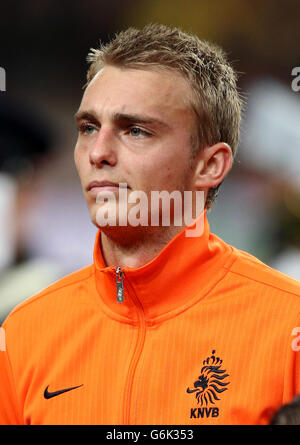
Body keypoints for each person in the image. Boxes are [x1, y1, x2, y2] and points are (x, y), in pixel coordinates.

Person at [0, 23, 299, 426]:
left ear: (210, 165)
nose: (98, 152)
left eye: (135, 130)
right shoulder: (24, 332)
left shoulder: (289, 326)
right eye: (88, 128)